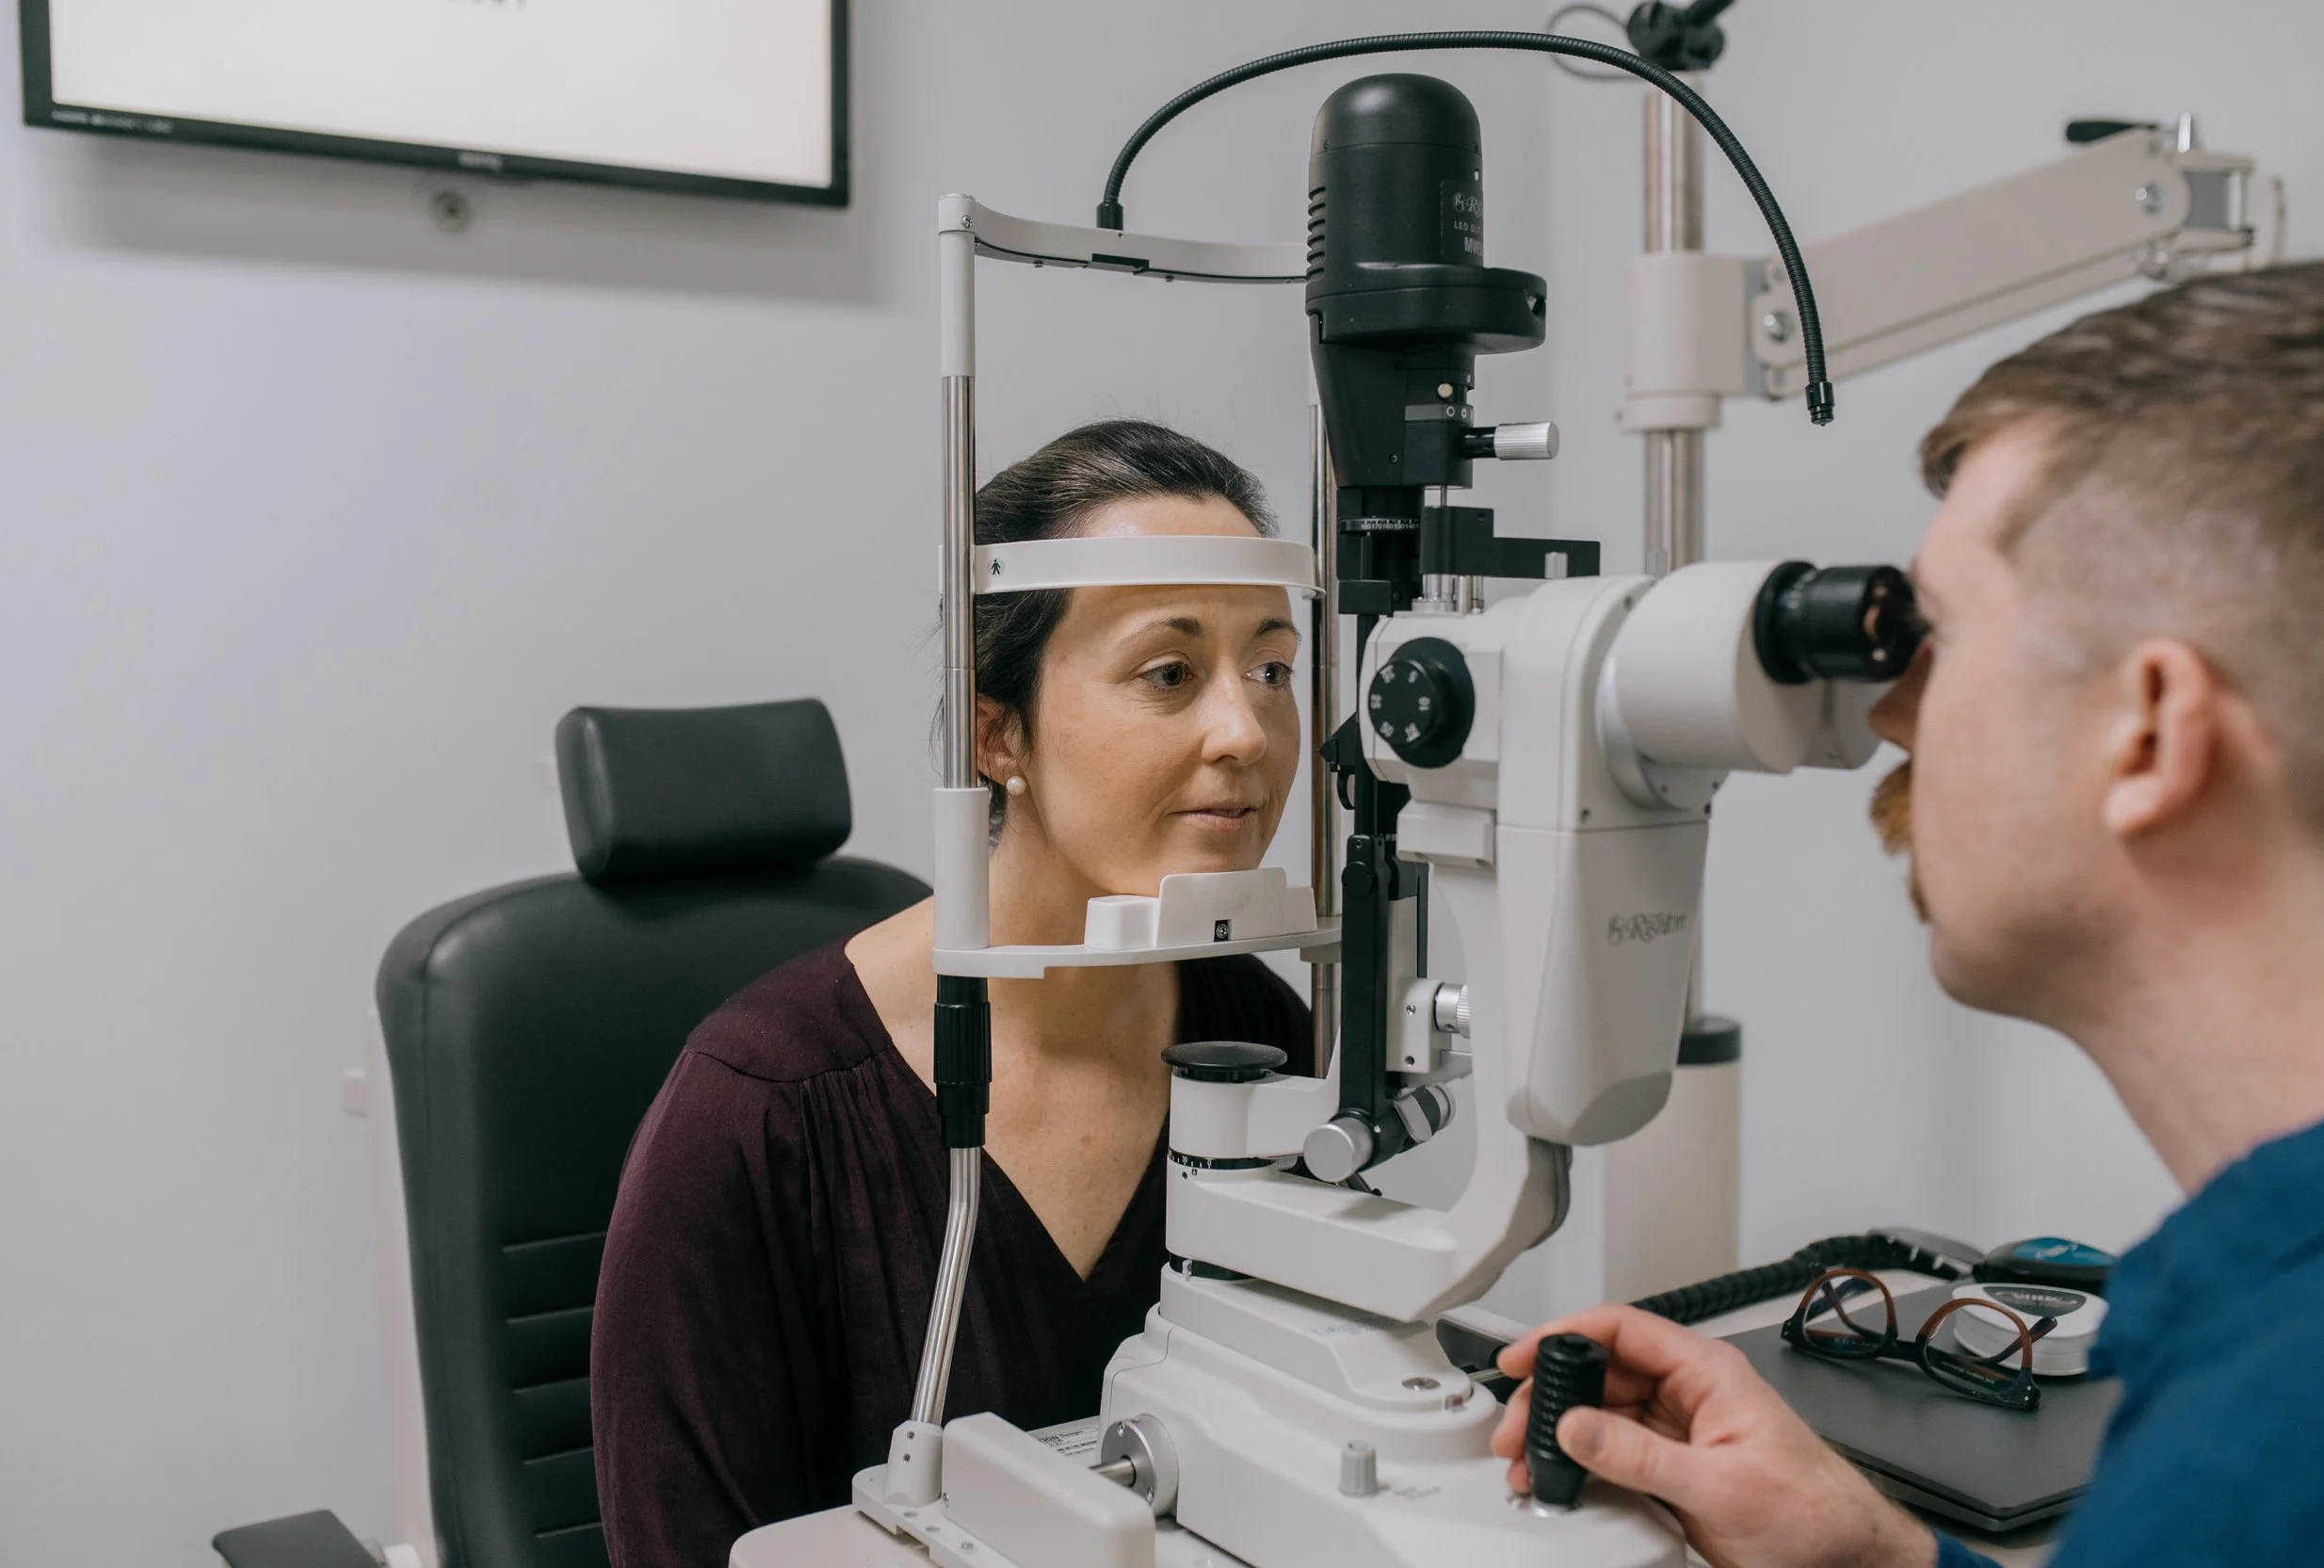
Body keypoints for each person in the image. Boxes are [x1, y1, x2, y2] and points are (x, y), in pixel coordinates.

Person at [1492, 261, 2324, 1567]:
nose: (1887, 713)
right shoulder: (2254, 1364)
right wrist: (1877, 1557)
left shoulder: (2260, 1453)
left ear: (2151, 732)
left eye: (1943, 633)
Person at [589, 420, 1314, 1566]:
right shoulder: (762, 1109)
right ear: (996, 730)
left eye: (1270, 668)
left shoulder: (1261, 1034)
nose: (1247, 732)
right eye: (1168, 673)